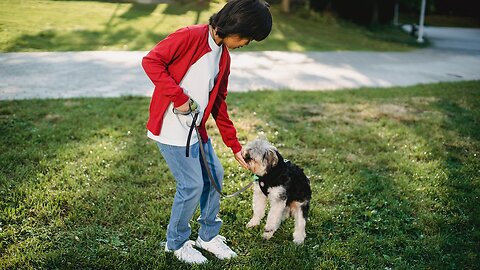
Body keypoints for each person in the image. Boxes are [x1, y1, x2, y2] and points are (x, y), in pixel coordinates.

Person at [141, 0, 272, 264]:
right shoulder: (189, 36)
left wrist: (234, 145)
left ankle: (208, 236)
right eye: (247, 38)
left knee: (215, 177)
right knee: (191, 185)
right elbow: (151, 61)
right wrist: (178, 97)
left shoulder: (223, 56)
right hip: (171, 128)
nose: (246, 44)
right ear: (235, 28)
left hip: (195, 131)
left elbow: (219, 103)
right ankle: (176, 243)